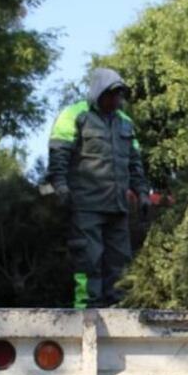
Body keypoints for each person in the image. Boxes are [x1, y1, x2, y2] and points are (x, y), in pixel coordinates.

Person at [46, 68, 150, 309]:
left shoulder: (125, 123)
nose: (117, 100)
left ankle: (118, 307)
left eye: (120, 95)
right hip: (86, 205)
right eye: (112, 94)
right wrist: (60, 185)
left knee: (120, 262)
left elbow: (135, 163)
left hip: (117, 207)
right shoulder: (75, 115)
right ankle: (86, 308)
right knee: (88, 259)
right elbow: (59, 153)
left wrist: (142, 193)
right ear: (99, 92)